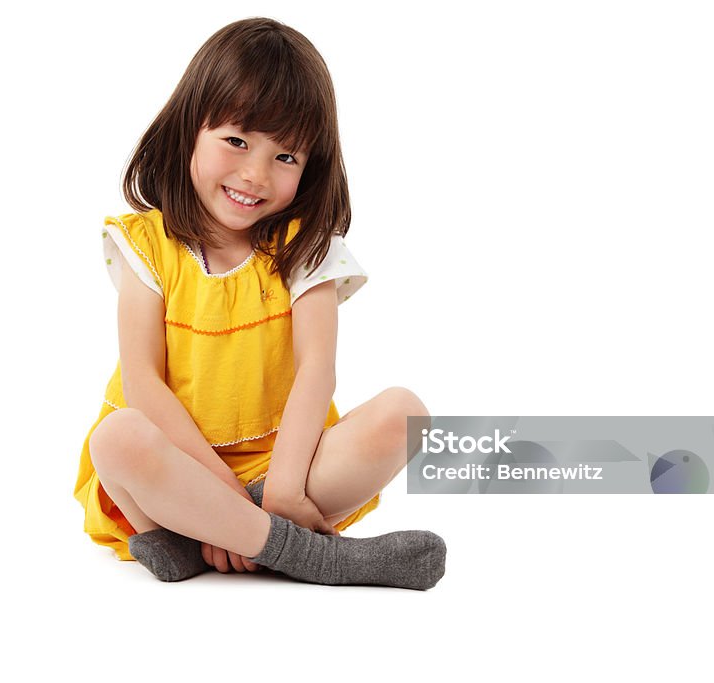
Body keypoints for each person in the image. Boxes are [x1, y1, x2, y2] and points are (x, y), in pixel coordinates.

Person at [73, 17, 446, 590]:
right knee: (116, 439)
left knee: (406, 414)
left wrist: (284, 490)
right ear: (189, 130)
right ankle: (309, 555)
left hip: (287, 470)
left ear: (311, 165)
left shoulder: (307, 247)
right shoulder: (144, 243)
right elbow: (144, 383)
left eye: (286, 157)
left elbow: (316, 371)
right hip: (178, 470)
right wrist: (226, 497)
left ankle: (198, 541)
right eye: (237, 141)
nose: (255, 174)